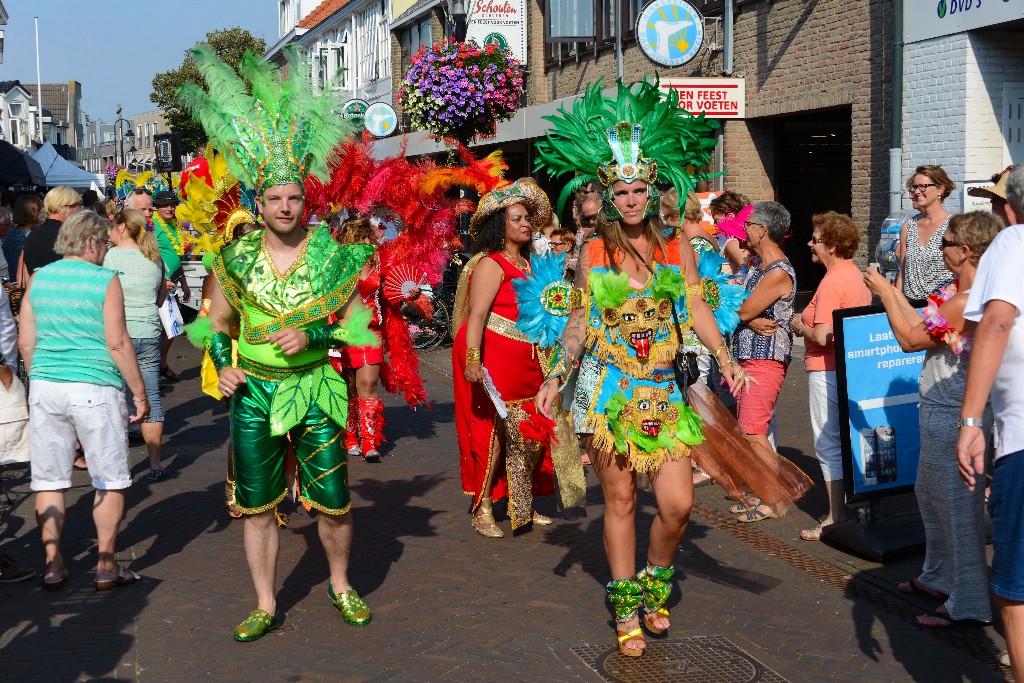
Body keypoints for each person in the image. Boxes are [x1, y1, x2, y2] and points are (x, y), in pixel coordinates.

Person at [533, 80, 754, 658]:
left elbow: (699, 309)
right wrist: (558, 375)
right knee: (623, 500)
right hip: (608, 389)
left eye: (639, 190)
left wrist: (728, 361)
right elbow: (577, 321)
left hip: (662, 390)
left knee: (678, 504)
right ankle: (626, 603)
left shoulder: (677, 246)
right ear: (609, 196)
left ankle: (656, 580)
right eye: (622, 191)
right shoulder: (594, 251)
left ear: (653, 190)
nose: (631, 200)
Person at [180, 43, 376, 640]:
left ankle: (341, 584)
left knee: (334, 499)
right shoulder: (233, 257)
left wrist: (317, 332)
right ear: (258, 202)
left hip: (317, 388)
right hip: (256, 393)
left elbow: (361, 327)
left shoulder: (334, 256)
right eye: (274, 199)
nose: (286, 206)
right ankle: (265, 601)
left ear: (304, 200)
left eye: (294, 197)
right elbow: (209, 323)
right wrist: (222, 364)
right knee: (256, 504)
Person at [866, 211, 1001, 628]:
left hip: (955, 413)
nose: (938, 250)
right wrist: (896, 294)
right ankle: (939, 577)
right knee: (929, 494)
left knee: (958, 507)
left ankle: (969, 604)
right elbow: (923, 322)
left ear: (964, 251)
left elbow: (909, 341)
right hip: (939, 407)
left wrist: (885, 294)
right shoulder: (954, 294)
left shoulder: (967, 300)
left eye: (946, 244)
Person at [18, 210, 150, 592]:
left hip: (47, 385)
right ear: (92, 242)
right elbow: (118, 342)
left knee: (50, 480)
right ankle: (106, 564)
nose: (106, 251)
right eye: (105, 244)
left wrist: (40, 374)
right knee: (109, 478)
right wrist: (138, 393)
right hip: (94, 386)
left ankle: (53, 564)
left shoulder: (39, 279)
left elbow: (26, 341)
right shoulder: (104, 280)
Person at [452, 180, 557, 538]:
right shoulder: (490, 264)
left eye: (528, 218)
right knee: (496, 432)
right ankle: (482, 507)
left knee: (529, 431)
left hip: (529, 360)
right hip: (496, 359)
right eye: (518, 218)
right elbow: (477, 315)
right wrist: (472, 360)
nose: (527, 224)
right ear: (501, 224)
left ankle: (521, 503)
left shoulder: (528, 264)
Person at [957, 164, 1024, 673]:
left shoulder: (1013, 242)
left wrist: (971, 420)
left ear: (1009, 208)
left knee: (1016, 584)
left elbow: (997, 320)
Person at [792, 212, 871, 540]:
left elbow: (825, 335)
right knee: (846, 438)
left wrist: (799, 325)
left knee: (828, 442)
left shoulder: (831, 281)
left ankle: (835, 515)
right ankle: (853, 508)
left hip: (827, 370)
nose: (810, 243)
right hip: (849, 368)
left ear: (833, 246)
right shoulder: (853, 275)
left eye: (816, 239)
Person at [730, 201, 796, 522]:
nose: (744, 230)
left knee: (754, 430)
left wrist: (747, 316)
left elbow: (740, 309)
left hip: (765, 359)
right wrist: (751, 320)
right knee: (748, 430)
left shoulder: (779, 271)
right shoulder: (757, 266)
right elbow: (735, 303)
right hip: (747, 354)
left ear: (763, 230)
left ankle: (775, 499)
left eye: (748, 224)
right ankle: (761, 491)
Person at [103, 208, 168, 480]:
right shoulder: (155, 258)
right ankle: (155, 464)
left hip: (119, 337)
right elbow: (161, 299)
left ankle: (118, 465)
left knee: (116, 400)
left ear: (120, 227)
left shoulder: (108, 258)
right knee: (150, 397)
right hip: (149, 332)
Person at [896, 164, 955, 302]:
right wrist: (897, 304)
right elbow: (902, 275)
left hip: (940, 312)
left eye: (922, 186)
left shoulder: (954, 226)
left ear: (940, 189)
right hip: (910, 308)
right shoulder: (908, 227)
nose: (917, 191)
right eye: (915, 187)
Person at [151, 190, 192, 382]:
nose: (169, 208)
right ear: (156, 208)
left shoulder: (174, 225)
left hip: (173, 283)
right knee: (161, 328)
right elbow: (148, 256)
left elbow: (177, 256)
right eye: (165, 205)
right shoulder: (152, 226)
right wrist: (160, 280)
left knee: (172, 327)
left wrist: (184, 283)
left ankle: (162, 364)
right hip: (160, 285)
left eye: (172, 205)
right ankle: (153, 368)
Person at [21, 187, 81, 281]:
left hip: (37, 292)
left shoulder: (32, 235)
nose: (79, 211)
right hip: (65, 291)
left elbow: (26, 277)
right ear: (65, 207)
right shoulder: (70, 235)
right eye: (77, 206)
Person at [708, 190, 754, 280]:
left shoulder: (733, 242)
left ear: (730, 216)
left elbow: (749, 273)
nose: (714, 224)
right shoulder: (726, 239)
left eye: (717, 220)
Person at [5, 194, 45, 285]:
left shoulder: (8, 232)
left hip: (11, 280)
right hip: (26, 282)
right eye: (40, 210)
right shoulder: (31, 236)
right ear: (34, 213)